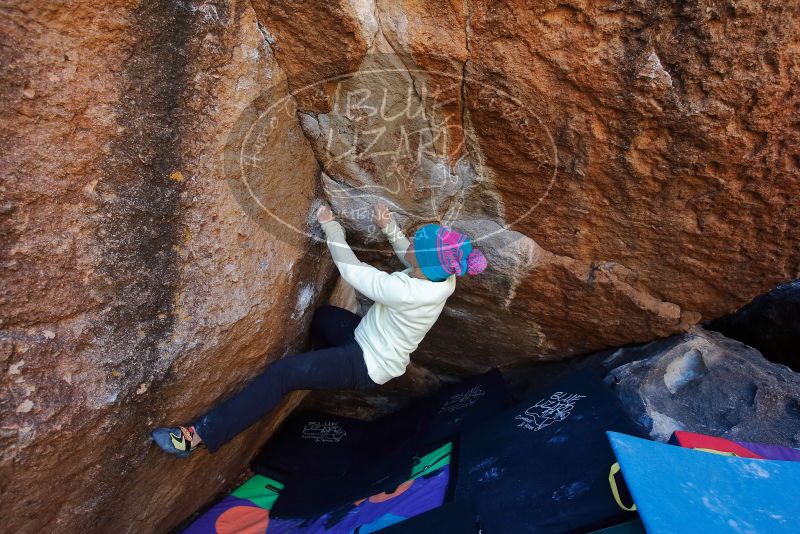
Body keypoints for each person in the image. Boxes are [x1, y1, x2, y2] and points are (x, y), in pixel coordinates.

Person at [152, 203, 488, 457]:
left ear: (425, 262)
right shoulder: (442, 275)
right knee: (326, 317)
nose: (411, 242)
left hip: (367, 364)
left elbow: (353, 271)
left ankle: (197, 436)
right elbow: (412, 256)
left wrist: (332, 227)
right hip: (363, 339)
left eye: (417, 241)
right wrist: (391, 229)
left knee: (283, 374)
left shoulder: (409, 292)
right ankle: (314, 372)